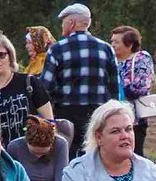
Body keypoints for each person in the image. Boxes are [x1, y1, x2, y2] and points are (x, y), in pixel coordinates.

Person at [41, 3, 118, 154]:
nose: (62, 26)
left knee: (69, 155)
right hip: (99, 112)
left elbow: (46, 87)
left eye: (63, 22)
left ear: (72, 23)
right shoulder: (106, 48)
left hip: (67, 112)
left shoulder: (57, 49)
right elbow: (114, 86)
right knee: (96, 152)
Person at [0, 32, 53, 146]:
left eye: (1, 55)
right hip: (0, 156)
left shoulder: (29, 83)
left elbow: (49, 122)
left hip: (33, 152)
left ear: (10, 57)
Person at [110, 25, 155, 156]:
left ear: (129, 45)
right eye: (112, 41)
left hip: (134, 117)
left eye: (116, 42)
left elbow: (141, 86)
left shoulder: (141, 58)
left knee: (134, 153)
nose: (112, 45)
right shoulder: (112, 60)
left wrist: (116, 86)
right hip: (113, 114)